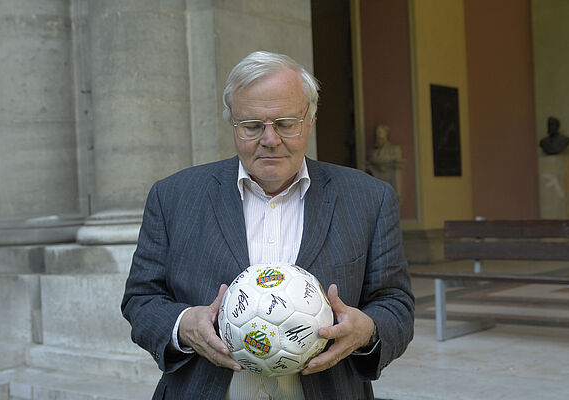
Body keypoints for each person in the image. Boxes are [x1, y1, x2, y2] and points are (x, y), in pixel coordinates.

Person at [121, 51, 414, 400]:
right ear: (232, 122)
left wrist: (367, 330)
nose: (270, 139)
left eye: (286, 123)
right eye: (252, 126)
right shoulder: (173, 197)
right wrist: (183, 325)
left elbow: (395, 303)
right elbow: (141, 298)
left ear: (311, 119)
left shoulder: (368, 198)